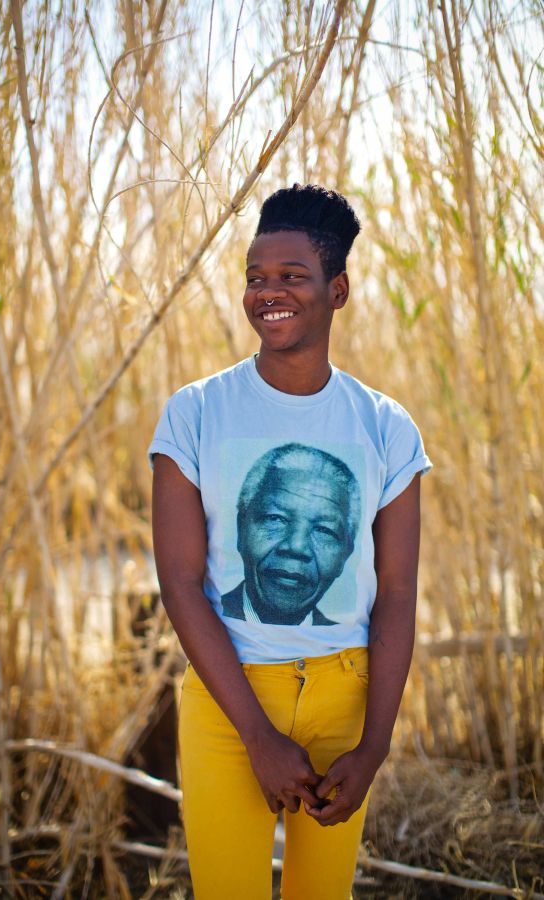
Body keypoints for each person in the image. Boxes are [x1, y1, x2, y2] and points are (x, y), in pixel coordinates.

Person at [149, 183, 432, 899]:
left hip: (345, 696)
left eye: (291, 277)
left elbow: (397, 593)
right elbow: (181, 584)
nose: (266, 293)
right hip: (227, 696)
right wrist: (257, 735)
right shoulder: (196, 413)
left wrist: (375, 746)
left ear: (337, 290)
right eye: (255, 277)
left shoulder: (385, 427)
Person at [222, 443, 360, 626]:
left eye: (324, 530)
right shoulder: (205, 619)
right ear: (242, 528)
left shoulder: (346, 644)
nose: (296, 546)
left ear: (345, 555)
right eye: (275, 518)